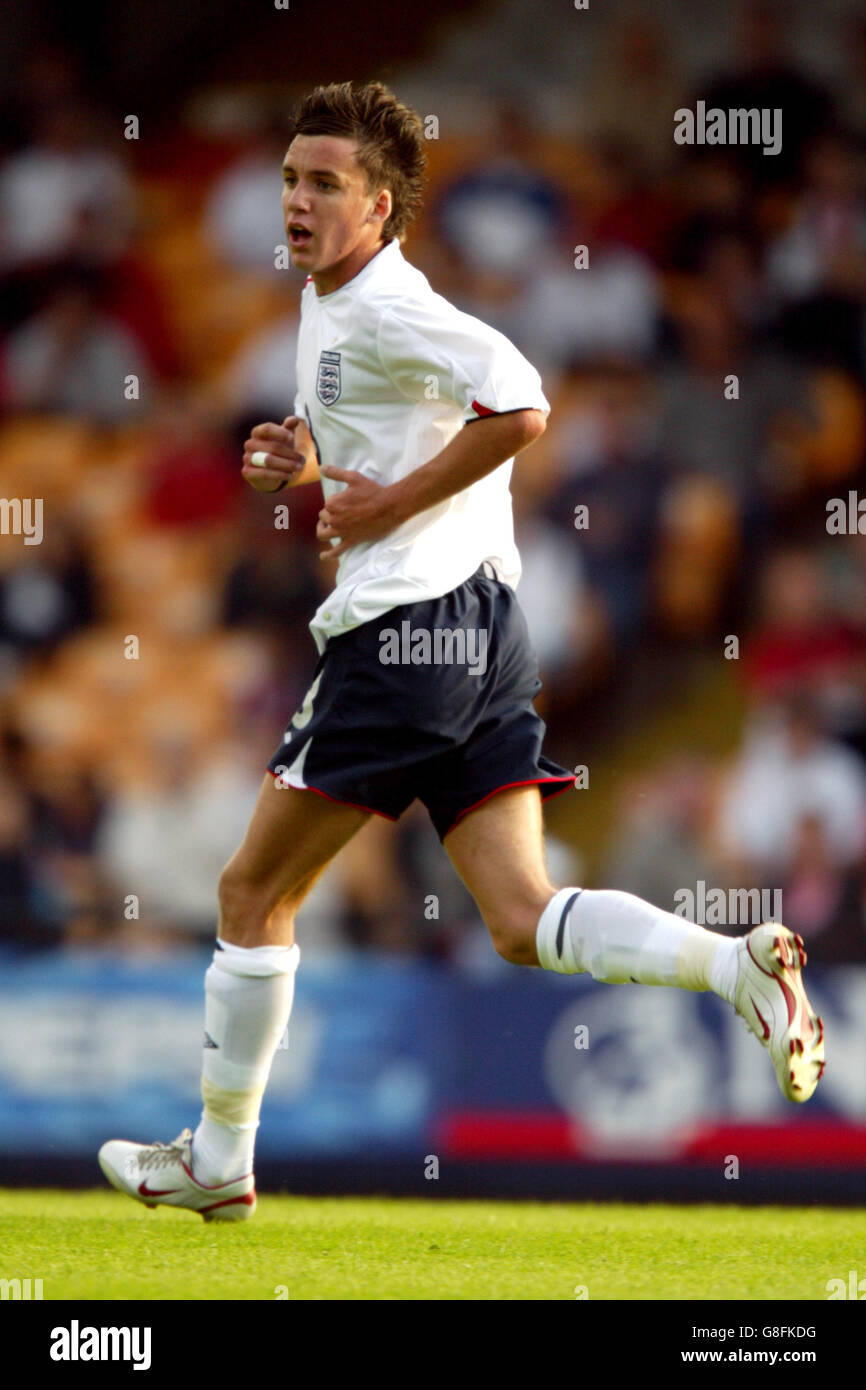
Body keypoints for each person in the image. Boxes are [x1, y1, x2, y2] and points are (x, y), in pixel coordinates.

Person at [98, 81, 824, 1222]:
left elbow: (521, 402)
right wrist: (308, 460)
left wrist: (382, 514)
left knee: (250, 890)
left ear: (378, 207)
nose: (295, 199)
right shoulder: (332, 304)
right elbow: (393, 435)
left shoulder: (384, 304)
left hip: (404, 634)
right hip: (482, 626)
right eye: (290, 178)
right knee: (521, 916)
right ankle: (733, 966)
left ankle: (220, 1157)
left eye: (323, 184)